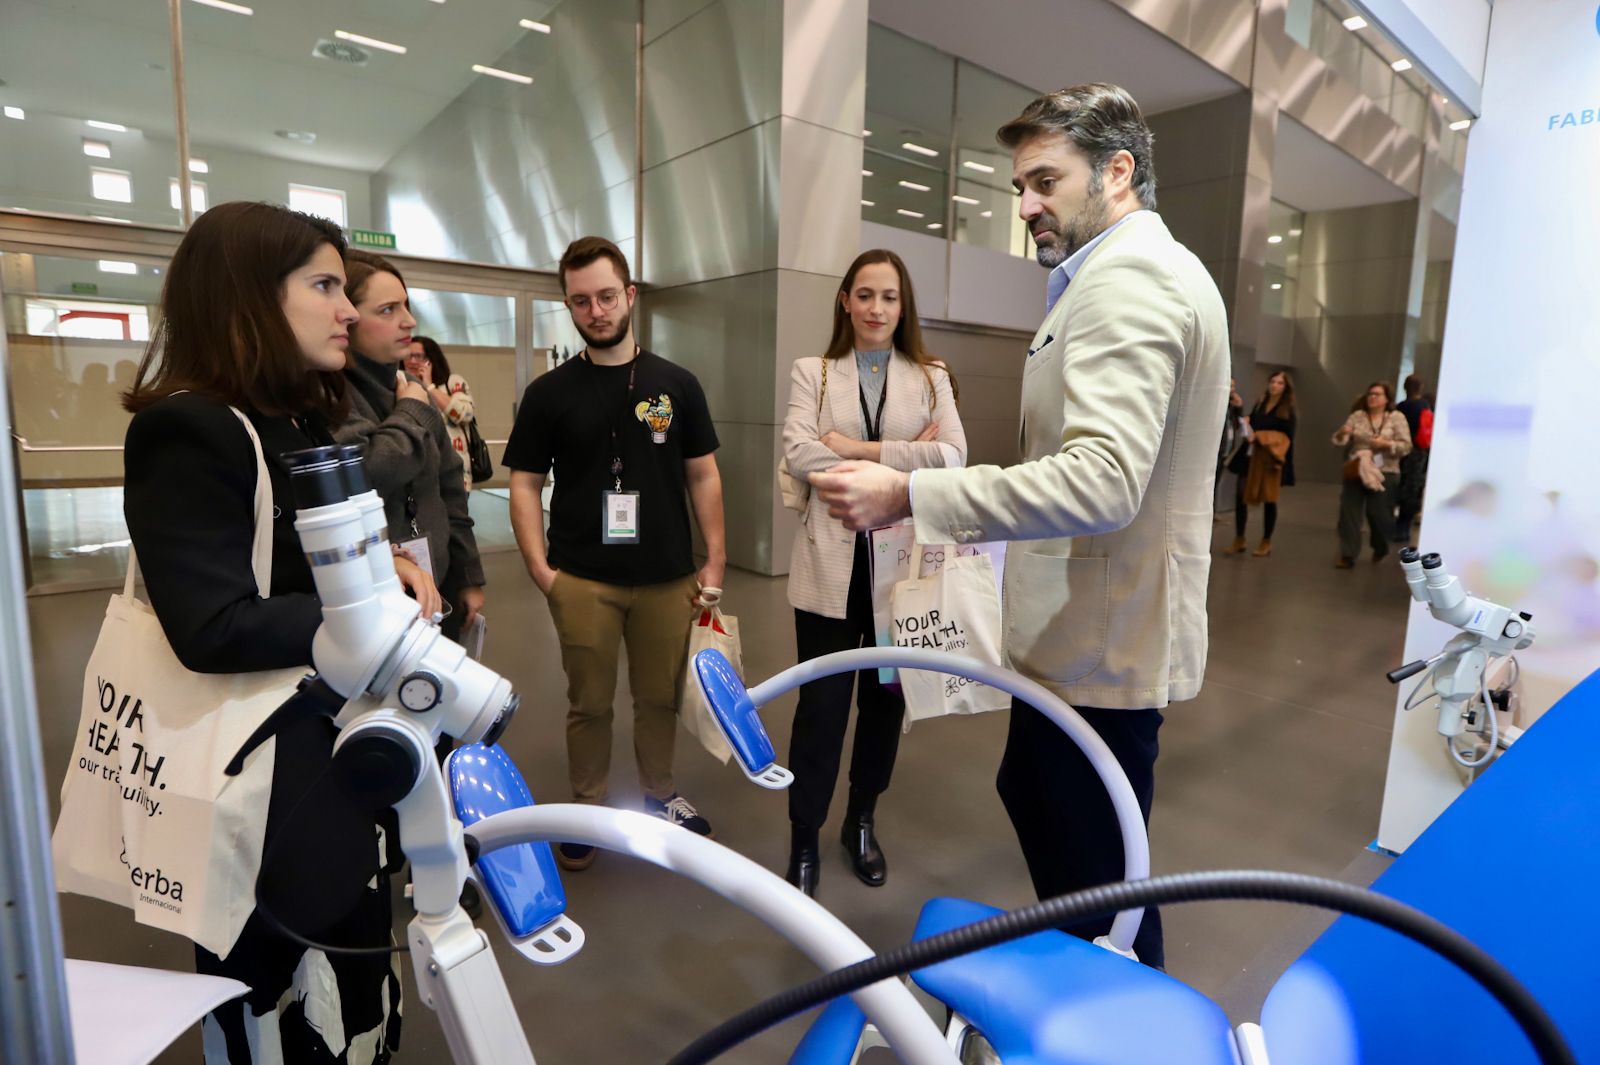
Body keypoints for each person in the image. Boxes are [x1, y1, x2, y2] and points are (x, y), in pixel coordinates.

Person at [810, 84, 1229, 968]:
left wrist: (911, 494)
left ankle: (1121, 1023)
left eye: (1045, 180)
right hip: (1084, 637)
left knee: (1102, 891)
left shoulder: (1132, 282)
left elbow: (1105, 478)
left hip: (1101, 648)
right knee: (1063, 835)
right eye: (1021, 187)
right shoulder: (1114, 278)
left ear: (1119, 172)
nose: (1029, 204)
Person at [121, 202, 439, 1063]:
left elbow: (319, 564)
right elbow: (211, 624)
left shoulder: (292, 421)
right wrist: (362, 615)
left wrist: (385, 576)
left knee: (356, 977)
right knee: (288, 1010)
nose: (349, 309)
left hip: (329, 768)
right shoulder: (190, 428)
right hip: (256, 792)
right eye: (326, 286)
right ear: (246, 297)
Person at [504, 236, 726, 870]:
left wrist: (715, 557)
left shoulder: (675, 384)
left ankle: (660, 795)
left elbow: (702, 474)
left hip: (667, 577)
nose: (596, 311)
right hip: (582, 579)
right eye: (580, 301)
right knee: (589, 703)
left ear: (629, 295)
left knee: (658, 697)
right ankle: (589, 808)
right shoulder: (550, 393)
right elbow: (523, 481)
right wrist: (540, 569)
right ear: (568, 307)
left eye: (606, 296)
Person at [780, 249, 967, 897]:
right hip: (827, 573)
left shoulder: (932, 374)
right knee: (821, 709)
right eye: (865, 295)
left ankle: (861, 819)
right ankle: (805, 833)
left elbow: (953, 455)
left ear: (902, 304)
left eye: (889, 297)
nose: (877, 309)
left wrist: (855, 450)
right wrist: (906, 461)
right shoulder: (815, 372)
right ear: (845, 300)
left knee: (886, 701)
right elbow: (798, 448)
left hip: (900, 572)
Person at [335, 252, 486, 641]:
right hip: (375, 598)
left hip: (437, 586)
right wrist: (413, 410)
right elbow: (370, 472)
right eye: (388, 310)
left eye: (406, 305)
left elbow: (451, 490)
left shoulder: (407, 388)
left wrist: (468, 577)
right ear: (346, 318)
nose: (409, 321)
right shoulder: (331, 395)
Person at [1332, 381, 1413, 568]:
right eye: (1370, 394)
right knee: (1349, 512)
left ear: (1387, 399)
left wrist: (1386, 444)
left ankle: (1380, 546)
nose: (1372, 397)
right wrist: (1341, 434)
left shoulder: (1396, 418)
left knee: (1379, 514)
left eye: (1377, 394)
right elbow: (1340, 440)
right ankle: (1348, 553)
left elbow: (1406, 446)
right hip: (1357, 466)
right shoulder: (1358, 416)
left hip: (1386, 470)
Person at [1223, 369, 1297, 557]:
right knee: (1241, 494)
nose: (1275, 385)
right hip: (1250, 456)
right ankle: (1239, 538)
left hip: (1270, 459)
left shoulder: (1287, 409)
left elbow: (1288, 436)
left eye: (1280, 383)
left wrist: (1261, 436)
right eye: (1273, 381)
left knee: (1269, 498)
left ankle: (1266, 540)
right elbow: (1252, 423)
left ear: (1286, 387)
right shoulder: (1261, 402)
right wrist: (1247, 422)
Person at [405, 334, 479, 491]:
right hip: (417, 476)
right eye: (408, 355)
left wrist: (429, 386)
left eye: (418, 356)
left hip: (455, 475)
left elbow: (465, 414)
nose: (411, 361)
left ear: (431, 359)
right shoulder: (401, 385)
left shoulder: (452, 382)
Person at [1393, 373, 1432, 543]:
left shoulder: (1401, 406)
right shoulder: (1424, 405)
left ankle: (1398, 525)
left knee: (1401, 485)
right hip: (1419, 450)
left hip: (1401, 450)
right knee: (1413, 487)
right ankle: (1404, 526)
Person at [1214, 377, 1245, 521]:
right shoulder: (1217, 404)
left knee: (1217, 483)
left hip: (1225, 452)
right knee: (1211, 484)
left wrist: (1238, 408)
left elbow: (1238, 426)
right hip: (1216, 451)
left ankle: (1213, 513)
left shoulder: (1231, 406)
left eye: (1233, 386)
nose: (1232, 389)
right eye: (1229, 385)